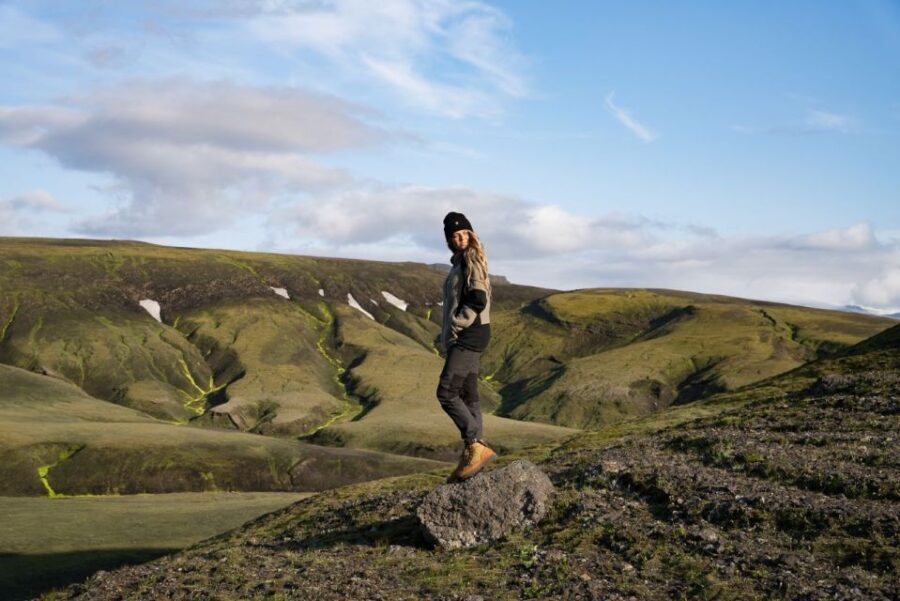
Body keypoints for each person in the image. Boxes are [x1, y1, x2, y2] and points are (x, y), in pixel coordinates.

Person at [437, 211, 498, 483]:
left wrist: (457, 325)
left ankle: (475, 443)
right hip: (474, 333)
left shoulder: (471, 258)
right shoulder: (459, 261)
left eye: (464, 234)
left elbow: (477, 298)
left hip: (470, 333)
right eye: (455, 236)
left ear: (471, 235)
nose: (460, 239)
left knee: (447, 392)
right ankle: (475, 453)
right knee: (468, 393)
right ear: (450, 240)